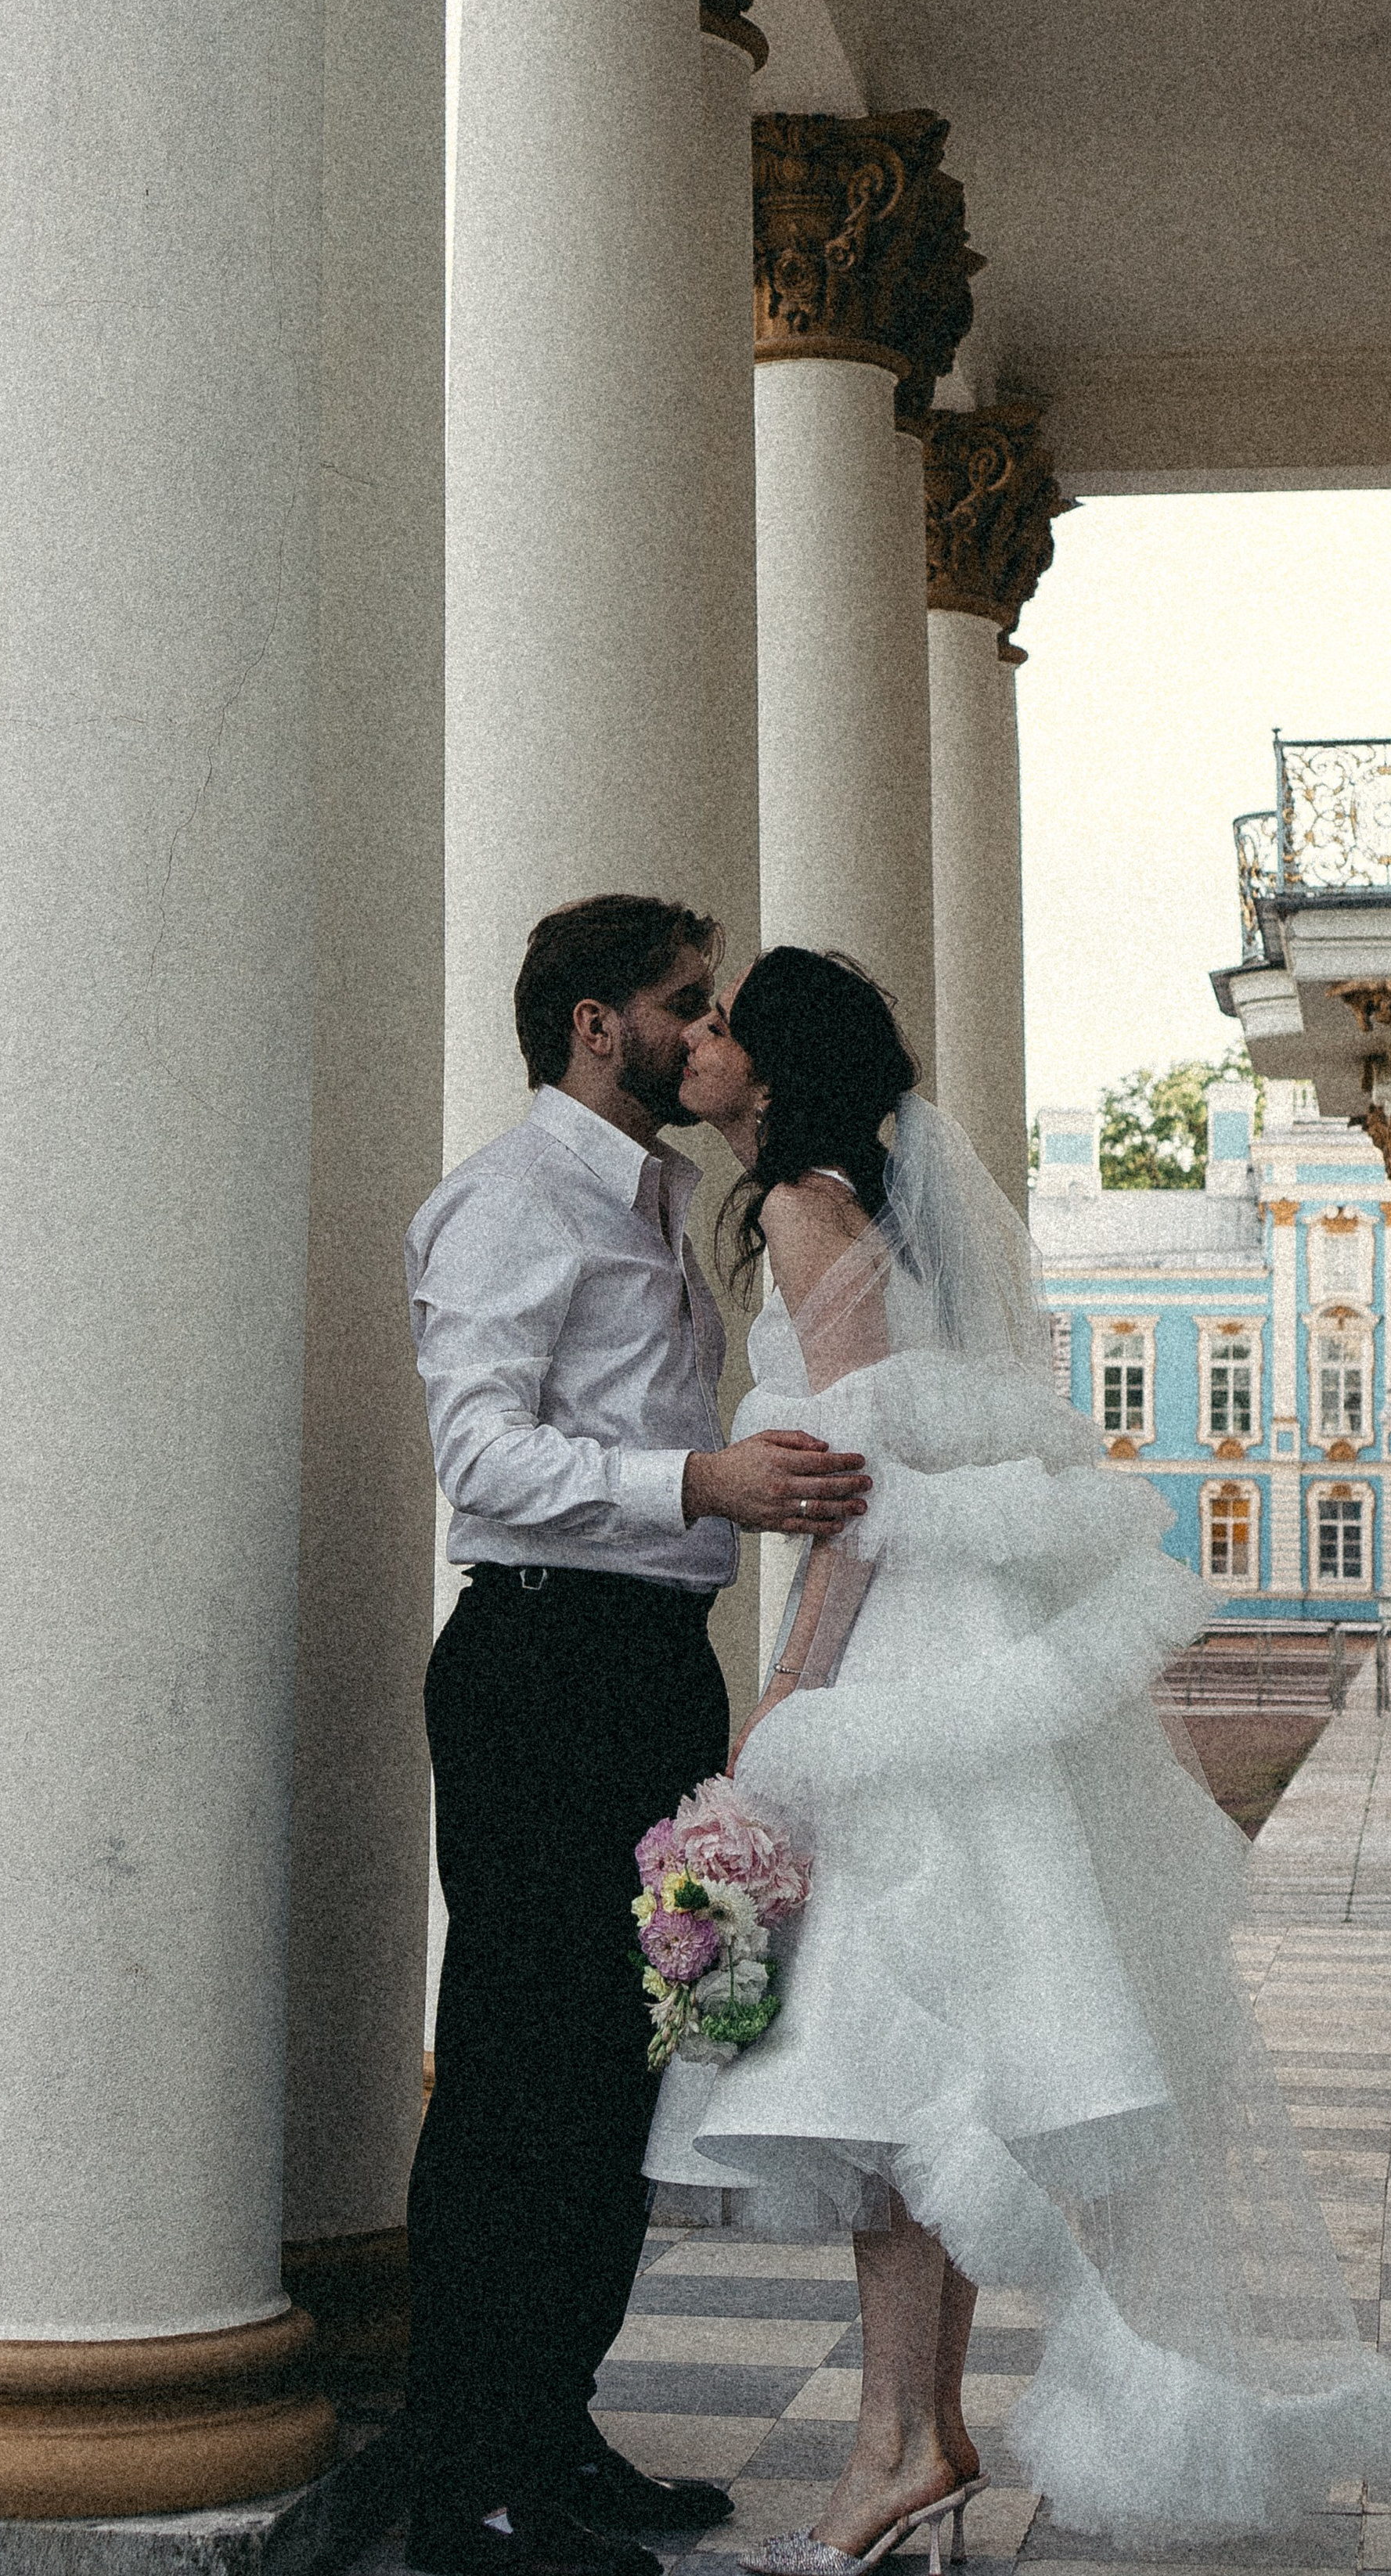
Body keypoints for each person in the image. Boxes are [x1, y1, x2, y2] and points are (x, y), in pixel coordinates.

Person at [646, 946, 1391, 2567]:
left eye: (722, 1028)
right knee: (917, 2071)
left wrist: (791, 1694)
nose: (697, 1046)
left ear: (777, 1067)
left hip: (904, 1667)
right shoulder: (865, 1207)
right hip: (967, 1649)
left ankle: (901, 2445)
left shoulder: (800, 1208)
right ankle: (910, 2443)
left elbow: (849, 1493)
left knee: (888, 2064)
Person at [403, 897, 874, 2576]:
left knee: (608, 2076)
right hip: (540, 1665)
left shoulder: (659, 1198)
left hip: (647, 1664)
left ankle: (554, 2428)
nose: (706, 1028)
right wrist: (698, 1484)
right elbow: (480, 1459)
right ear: (595, 1025)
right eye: (685, 1004)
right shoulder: (507, 1203)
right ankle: (467, 2480)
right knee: (520, 2075)